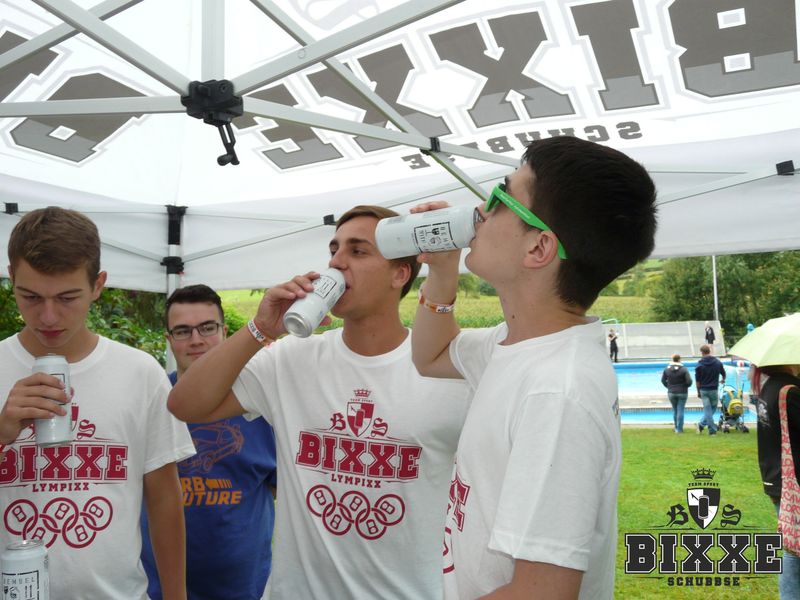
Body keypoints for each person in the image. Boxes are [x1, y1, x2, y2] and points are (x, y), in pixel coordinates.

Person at [167, 205, 471, 600]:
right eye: (334, 249)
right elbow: (185, 404)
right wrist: (260, 328)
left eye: (357, 251)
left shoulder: (444, 367)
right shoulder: (292, 357)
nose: (337, 262)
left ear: (400, 274)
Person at [411, 136, 657, 599]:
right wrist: (442, 272)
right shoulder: (517, 345)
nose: (480, 210)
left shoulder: (557, 391)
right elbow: (432, 355)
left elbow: (542, 592)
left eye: (500, 197)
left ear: (539, 248)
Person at [0, 207, 194, 599]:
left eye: (67, 297)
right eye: (30, 297)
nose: (48, 316)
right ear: (10, 278)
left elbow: (164, 499)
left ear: (98, 285)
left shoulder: (140, 373)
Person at [140, 284, 278, 600]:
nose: (196, 340)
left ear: (224, 331)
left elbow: (281, 488)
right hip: (158, 589)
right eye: (182, 331)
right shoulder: (150, 402)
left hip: (246, 590)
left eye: (207, 328)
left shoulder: (261, 404)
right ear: (169, 340)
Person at [752, 363, 800, 598]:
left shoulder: (769, 387)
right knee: (794, 551)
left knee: (793, 545)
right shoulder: (790, 392)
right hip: (793, 482)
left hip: (775, 478)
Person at [695, 344, 726, 435]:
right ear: (709, 351)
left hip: (703, 390)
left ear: (702, 352)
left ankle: (701, 424)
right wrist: (723, 379)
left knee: (708, 409)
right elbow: (723, 373)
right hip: (713, 389)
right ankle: (712, 430)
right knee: (712, 408)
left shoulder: (699, 364)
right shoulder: (717, 362)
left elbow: (697, 381)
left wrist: (698, 392)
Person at [661, 354, 692, 433]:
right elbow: (689, 381)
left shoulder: (667, 369)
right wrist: (685, 386)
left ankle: (676, 427)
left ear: (672, 359)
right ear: (679, 359)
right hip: (682, 392)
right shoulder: (684, 369)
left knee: (675, 410)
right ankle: (679, 429)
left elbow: (663, 380)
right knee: (680, 410)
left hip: (671, 392)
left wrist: (668, 387)